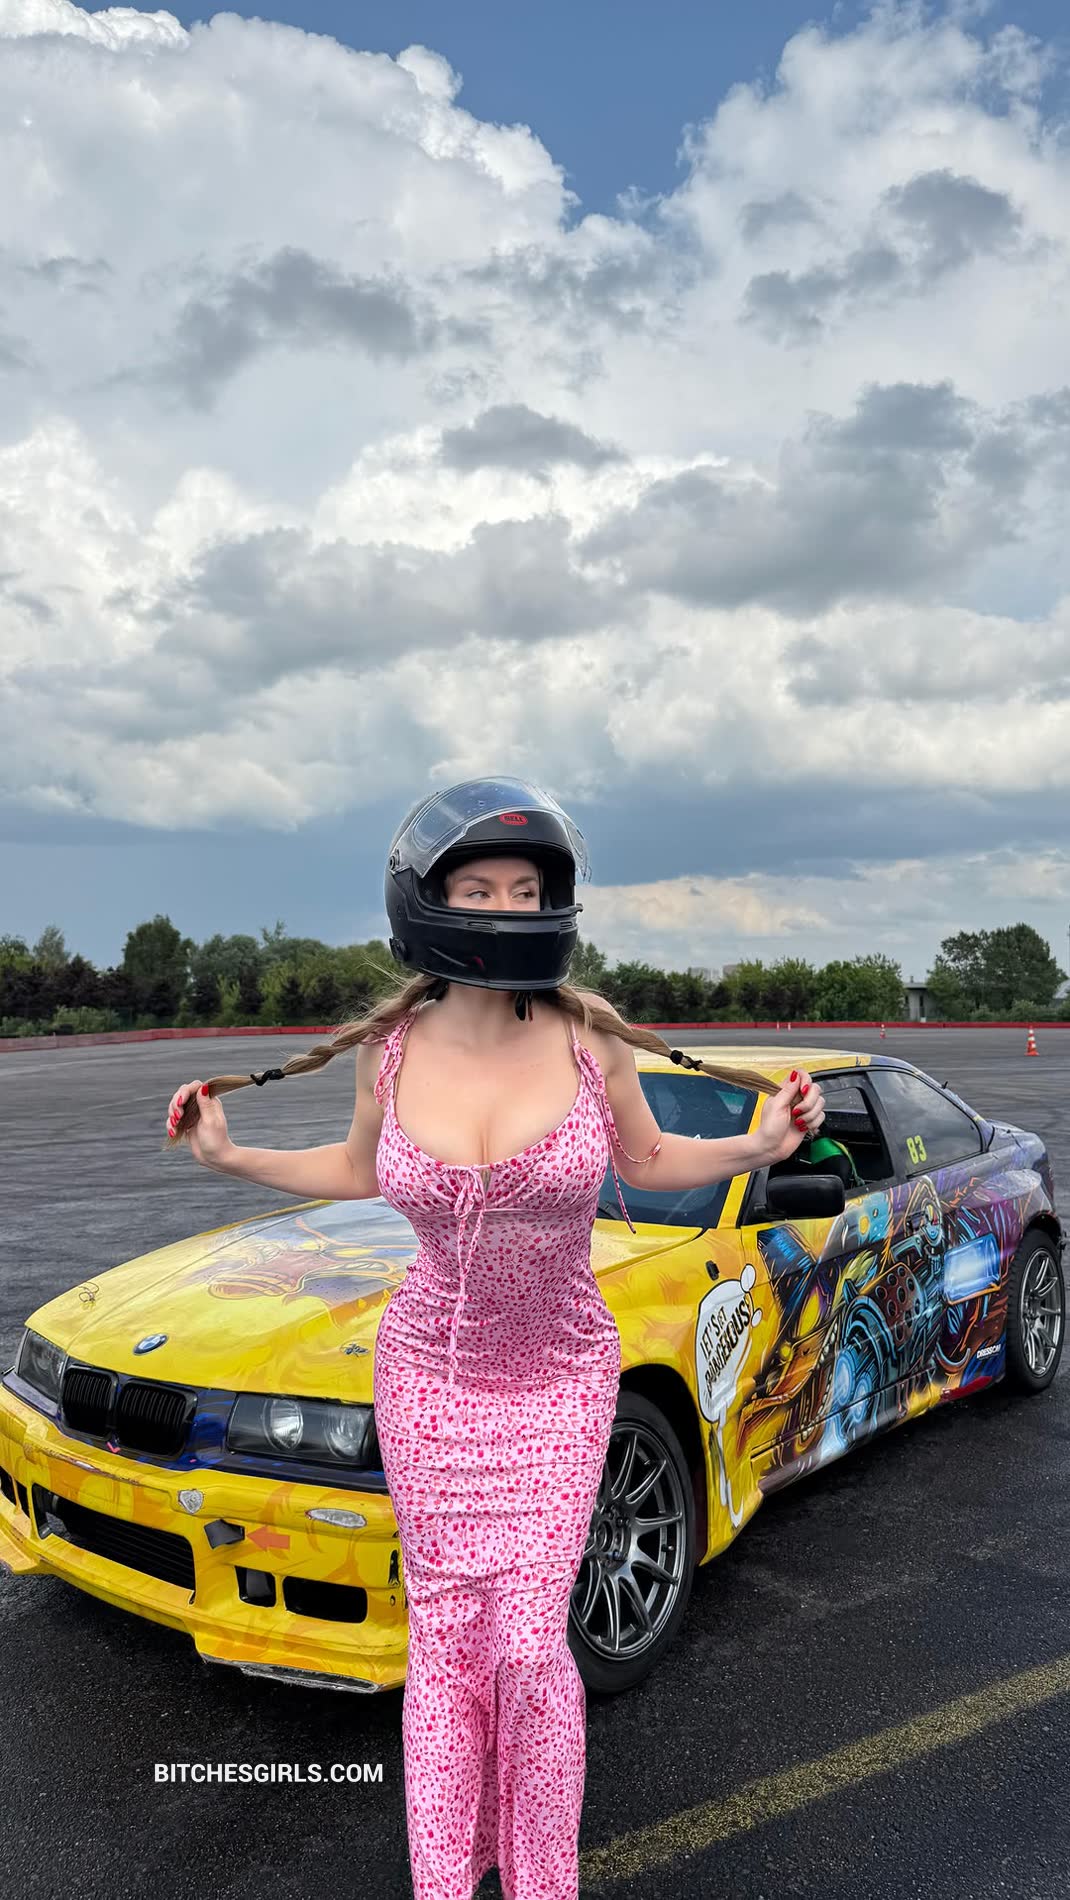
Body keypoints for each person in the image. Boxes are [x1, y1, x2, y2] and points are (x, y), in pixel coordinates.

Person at [162, 775, 826, 1900]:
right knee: (445, 1646)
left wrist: (759, 1147)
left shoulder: (589, 1040)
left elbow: (647, 1159)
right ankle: (445, 1876)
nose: (510, 909)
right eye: (482, 890)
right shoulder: (389, 1051)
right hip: (429, 1378)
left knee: (527, 1642)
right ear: (426, 902)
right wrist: (230, 1157)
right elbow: (360, 1169)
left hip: (558, 1373)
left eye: (528, 890)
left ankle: (539, 1878)